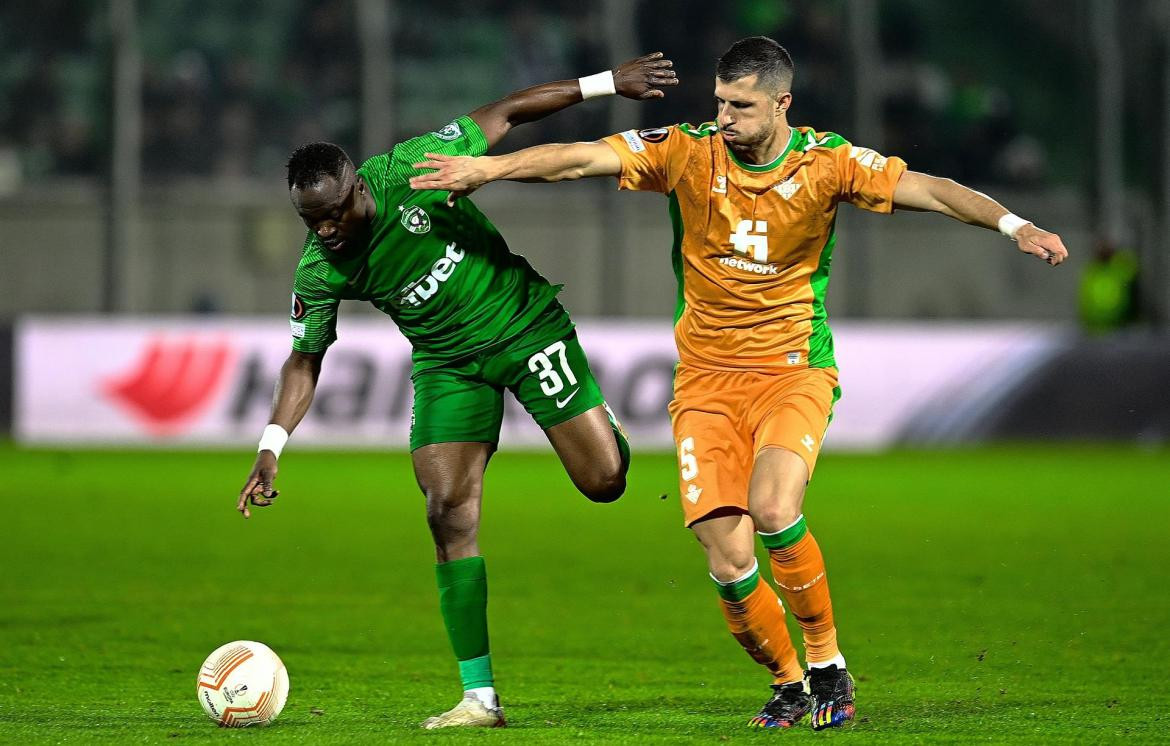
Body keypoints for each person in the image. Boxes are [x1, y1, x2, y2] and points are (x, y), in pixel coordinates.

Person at [409, 36, 1068, 731]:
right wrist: (489, 169)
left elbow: (929, 188)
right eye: (720, 101)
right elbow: (581, 159)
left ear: (783, 103)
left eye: (742, 106)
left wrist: (1012, 223)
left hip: (791, 370)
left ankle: (826, 663)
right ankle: (788, 682)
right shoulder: (688, 151)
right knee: (727, 555)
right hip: (704, 384)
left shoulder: (828, 163)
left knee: (775, 508)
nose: (725, 116)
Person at [235, 53, 678, 730]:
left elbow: (504, 113)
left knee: (605, 481)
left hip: (524, 327)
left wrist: (607, 84)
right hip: (447, 363)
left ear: (357, 192)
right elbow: (305, 360)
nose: (323, 232)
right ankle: (480, 698)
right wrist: (272, 447)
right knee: (446, 510)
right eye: (309, 222)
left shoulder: (414, 168)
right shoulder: (320, 270)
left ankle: (600, 422)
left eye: (330, 216)